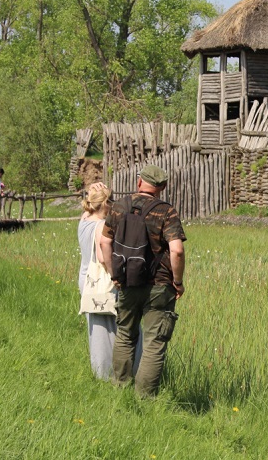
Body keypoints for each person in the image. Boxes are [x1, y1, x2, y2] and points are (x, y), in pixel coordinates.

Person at [100, 165, 186, 397]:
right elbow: (176, 251)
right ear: (163, 187)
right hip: (159, 286)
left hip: (127, 282)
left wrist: (114, 274)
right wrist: (177, 282)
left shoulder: (119, 207)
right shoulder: (166, 211)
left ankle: (119, 389)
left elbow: (104, 242)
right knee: (154, 343)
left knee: (125, 334)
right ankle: (145, 400)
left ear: (139, 182)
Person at [78, 183, 121, 379]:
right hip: (100, 282)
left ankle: (101, 373)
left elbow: (85, 212)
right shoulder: (102, 225)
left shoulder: (84, 221)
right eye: (110, 201)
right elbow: (103, 257)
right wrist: (115, 276)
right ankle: (109, 375)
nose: (112, 205)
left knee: (95, 330)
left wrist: (90, 189)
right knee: (108, 331)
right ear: (104, 203)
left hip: (86, 280)